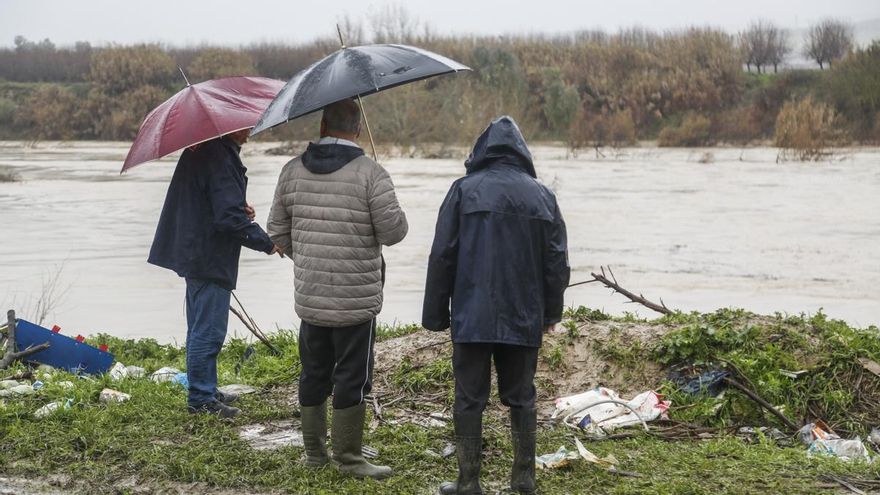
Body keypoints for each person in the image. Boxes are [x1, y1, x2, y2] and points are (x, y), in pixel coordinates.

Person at [422, 116, 570, 495]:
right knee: (522, 396)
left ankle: (468, 482)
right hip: (523, 316)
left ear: (481, 151)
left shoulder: (462, 190)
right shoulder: (542, 195)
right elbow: (556, 261)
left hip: (472, 315)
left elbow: (442, 255)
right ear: (522, 152)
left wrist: (436, 315)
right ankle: (524, 479)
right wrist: (551, 313)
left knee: (469, 399)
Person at [267, 98, 408, 480]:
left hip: (311, 296)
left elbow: (277, 234)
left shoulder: (291, 171)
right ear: (358, 130)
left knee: (313, 372)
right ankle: (349, 459)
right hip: (355, 299)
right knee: (352, 376)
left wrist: (310, 258)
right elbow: (394, 233)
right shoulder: (372, 174)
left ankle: (315, 454)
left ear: (322, 127)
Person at [148, 129, 280, 419]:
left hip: (196, 250)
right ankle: (201, 399)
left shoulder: (205, 149)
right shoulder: (219, 155)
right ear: (232, 126)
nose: (252, 130)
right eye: (249, 125)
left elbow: (214, 202)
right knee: (208, 331)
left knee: (200, 327)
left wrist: (238, 205)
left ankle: (206, 388)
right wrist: (268, 243)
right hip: (208, 255)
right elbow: (228, 219)